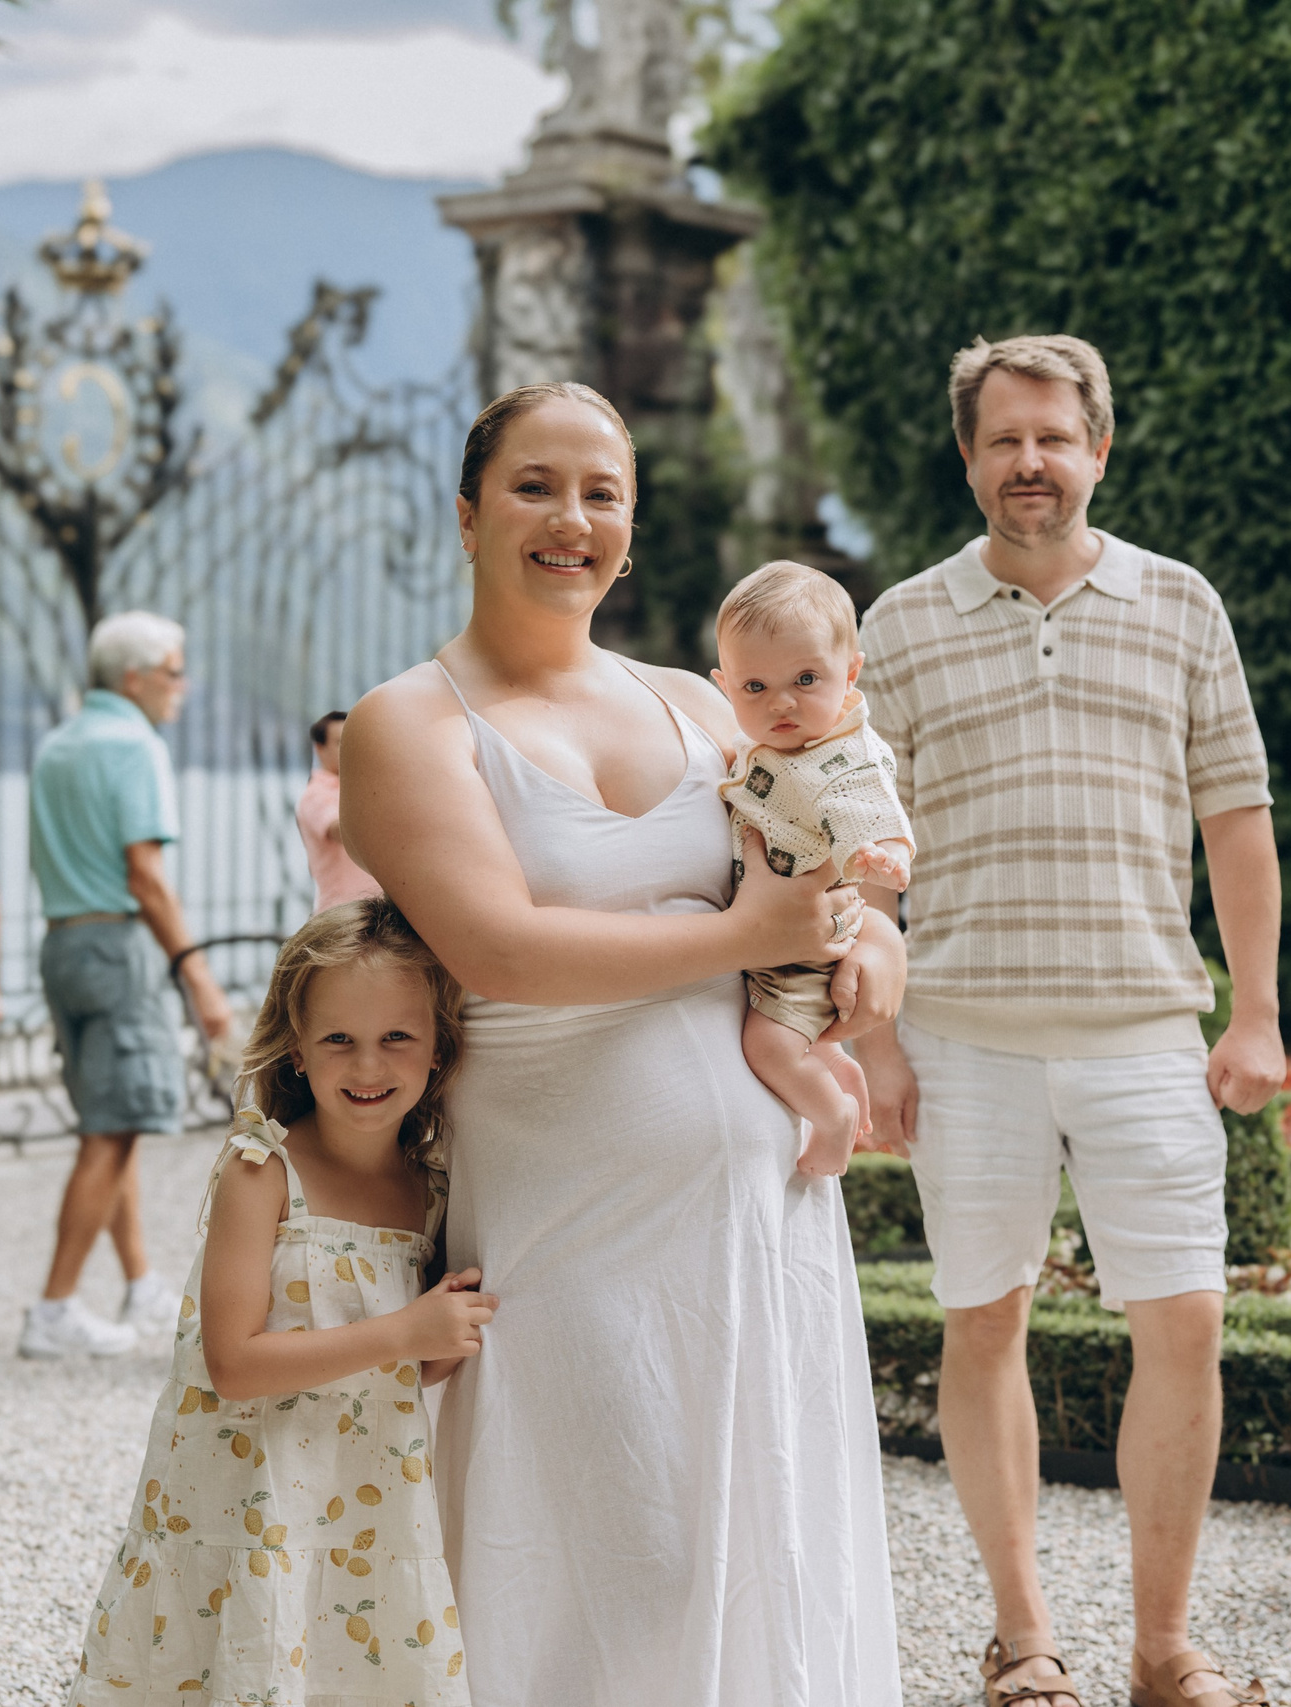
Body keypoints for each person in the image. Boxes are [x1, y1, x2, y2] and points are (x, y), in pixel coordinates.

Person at [340, 381, 904, 1706]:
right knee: (612, 1548)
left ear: (632, 532)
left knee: (758, 1545)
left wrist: (874, 946)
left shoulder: (702, 705)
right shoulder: (411, 723)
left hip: (760, 1214)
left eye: (604, 493)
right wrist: (747, 929)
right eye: (537, 484)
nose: (572, 518)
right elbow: (497, 948)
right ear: (471, 509)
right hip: (564, 1211)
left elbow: (839, 871)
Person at [849, 333, 1284, 1707]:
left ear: (1101, 448)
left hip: (1148, 1028)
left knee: (1188, 1323)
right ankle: (1022, 1633)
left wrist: (1257, 1009)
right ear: (968, 456)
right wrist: (870, 1038)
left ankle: (1165, 1646)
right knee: (984, 1322)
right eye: (1002, 439)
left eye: (1053, 436)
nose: (1028, 461)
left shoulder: (1182, 602)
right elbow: (859, 848)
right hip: (963, 1033)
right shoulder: (900, 622)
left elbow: (1238, 816)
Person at [67, 898, 487, 1704]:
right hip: (245, 1497)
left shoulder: (431, 1187)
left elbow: (404, 1365)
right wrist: (405, 1328)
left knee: (347, 1666)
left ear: (439, 1046)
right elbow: (234, 1362)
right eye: (340, 1039)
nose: (368, 1066)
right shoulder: (262, 1171)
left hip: (363, 1504)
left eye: (397, 1036)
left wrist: (435, 1337)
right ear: (298, 1048)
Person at [22, 611, 234, 1359]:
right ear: (137, 677)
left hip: (63, 945)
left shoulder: (59, 743)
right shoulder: (135, 744)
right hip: (117, 948)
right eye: (176, 672)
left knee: (110, 1123)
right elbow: (147, 877)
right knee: (111, 1132)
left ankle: (141, 1281)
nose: (183, 687)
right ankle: (53, 1308)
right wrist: (200, 980)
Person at [711, 561, 914, 1177]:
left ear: (850, 672)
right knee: (778, 1037)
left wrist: (884, 856)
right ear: (725, 687)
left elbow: (874, 811)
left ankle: (833, 1119)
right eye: (755, 689)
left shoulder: (842, 757)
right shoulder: (769, 744)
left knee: (768, 1044)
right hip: (770, 943)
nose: (781, 703)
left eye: (806, 678)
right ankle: (833, 1068)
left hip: (804, 951)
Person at [297, 709, 379, 914]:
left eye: (354, 741)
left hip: (373, 914)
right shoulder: (315, 795)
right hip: (342, 916)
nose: (350, 748)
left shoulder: (360, 788)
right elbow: (342, 832)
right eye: (341, 742)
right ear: (319, 748)